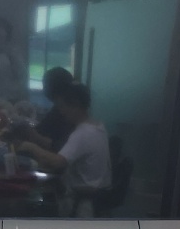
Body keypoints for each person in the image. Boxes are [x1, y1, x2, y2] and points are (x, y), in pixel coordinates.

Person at [16, 83, 110, 217]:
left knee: (26, 202)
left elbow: (58, 162)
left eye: (62, 106)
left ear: (75, 104)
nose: (61, 111)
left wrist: (30, 147)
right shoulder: (98, 127)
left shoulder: (83, 133)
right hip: (96, 194)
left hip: (82, 201)